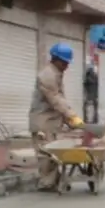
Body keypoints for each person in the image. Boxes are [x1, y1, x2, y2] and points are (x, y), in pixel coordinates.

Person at [30, 43, 84, 190]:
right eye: (65, 62)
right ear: (56, 59)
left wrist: (68, 119)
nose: (67, 65)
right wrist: (72, 116)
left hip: (52, 122)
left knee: (53, 154)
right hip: (42, 122)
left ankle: (54, 180)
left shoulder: (56, 74)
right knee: (46, 155)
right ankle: (47, 184)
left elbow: (60, 100)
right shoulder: (47, 76)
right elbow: (55, 99)